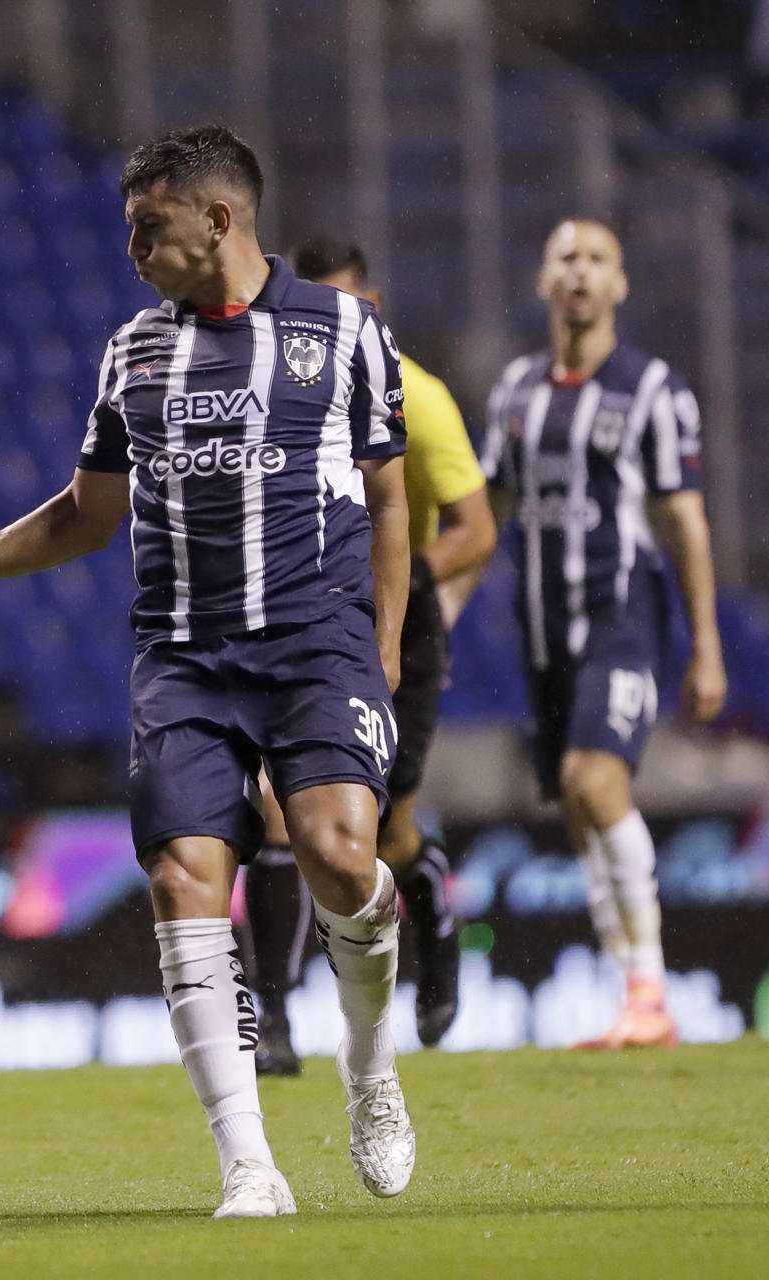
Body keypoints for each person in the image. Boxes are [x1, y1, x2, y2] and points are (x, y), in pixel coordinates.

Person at [0, 126, 416, 1218]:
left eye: (148, 227)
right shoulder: (134, 353)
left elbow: (389, 495)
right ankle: (248, 1162)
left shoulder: (348, 333)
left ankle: (369, 1066)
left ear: (219, 219)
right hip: (186, 659)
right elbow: (82, 515)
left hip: (317, 645)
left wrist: (384, 639)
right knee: (181, 881)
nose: (133, 249)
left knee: (345, 857)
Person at [243, 236, 498, 1073]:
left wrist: (401, 590)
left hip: (396, 620)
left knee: (383, 833)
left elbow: (477, 528)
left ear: (372, 308)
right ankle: (274, 1018)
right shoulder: (267, 392)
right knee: (284, 813)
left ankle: (435, 932)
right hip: (300, 620)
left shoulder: (416, 401)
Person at [481, 218, 727, 1049]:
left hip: (621, 621)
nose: (580, 272)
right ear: (544, 282)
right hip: (542, 634)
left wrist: (706, 645)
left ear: (620, 285)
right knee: (580, 816)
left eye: (597, 260)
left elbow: (685, 523)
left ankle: (652, 990)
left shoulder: (655, 390)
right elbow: (489, 515)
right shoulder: (514, 392)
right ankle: (634, 994)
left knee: (594, 781)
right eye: (565, 259)